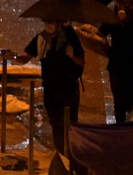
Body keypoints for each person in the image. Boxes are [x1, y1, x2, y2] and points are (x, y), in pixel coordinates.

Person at [15, 20, 84, 153]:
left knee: (69, 127)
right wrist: (11, 56)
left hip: (68, 90)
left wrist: (71, 55)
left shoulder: (70, 36)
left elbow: (81, 63)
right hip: (50, 91)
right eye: (46, 21)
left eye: (52, 20)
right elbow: (26, 57)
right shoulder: (42, 38)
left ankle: (71, 160)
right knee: (56, 126)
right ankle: (60, 156)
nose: (49, 24)